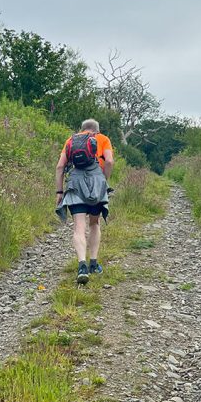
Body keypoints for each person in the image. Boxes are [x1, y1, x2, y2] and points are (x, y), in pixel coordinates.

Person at [55, 119, 114, 284]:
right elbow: (109, 161)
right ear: (96, 130)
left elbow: (60, 167)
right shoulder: (103, 139)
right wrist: (104, 180)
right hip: (96, 184)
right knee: (94, 224)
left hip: (75, 184)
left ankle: (82, 265)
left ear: (81, 130)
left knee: (78, 227)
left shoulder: (71, 140)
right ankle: (93, 263)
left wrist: (59, 191)